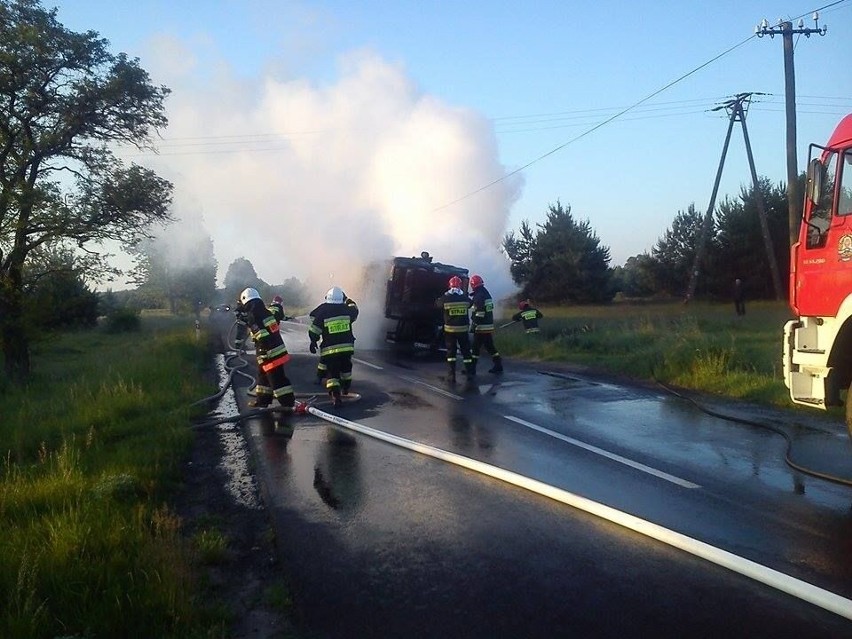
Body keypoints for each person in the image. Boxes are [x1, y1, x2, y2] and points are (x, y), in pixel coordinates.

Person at [237, 287, 295, 408]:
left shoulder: (253, 315)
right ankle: (262, 400)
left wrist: (249, 323)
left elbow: (261, 335)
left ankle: (288, 403)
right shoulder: (265, 311)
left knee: (277, 380)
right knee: (263, 377)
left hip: (269, 352)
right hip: (276, 349)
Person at [308, 286, 359, 408]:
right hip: (346, 348)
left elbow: (314, 330)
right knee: (346, 369)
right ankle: (346, 388)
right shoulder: (347, 309)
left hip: (330, 349)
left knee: (333, 373)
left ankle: (336, 396)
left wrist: (313, 341)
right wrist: (347, 299)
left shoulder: (323, 310)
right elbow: (355, 309)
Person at [436, 275, 474, 382]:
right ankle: (470, 373)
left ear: (450, 286)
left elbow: (438, 305)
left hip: (450, 331)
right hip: (463, 330)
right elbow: (471, 303)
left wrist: (442, 297)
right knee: (466, 352)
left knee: (451, 353)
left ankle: (451, 375)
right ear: (460, 286)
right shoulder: (464, 298)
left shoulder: (446, 298)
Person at [468, 274, 503, 374]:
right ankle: (498, 364)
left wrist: (474, 324)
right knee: (489, 346)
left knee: (475, 347)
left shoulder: (479, 296)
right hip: (488, 325)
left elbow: (480, 313)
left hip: (481, 326)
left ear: (473, 284)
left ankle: (471, 369)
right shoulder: (485, 293)